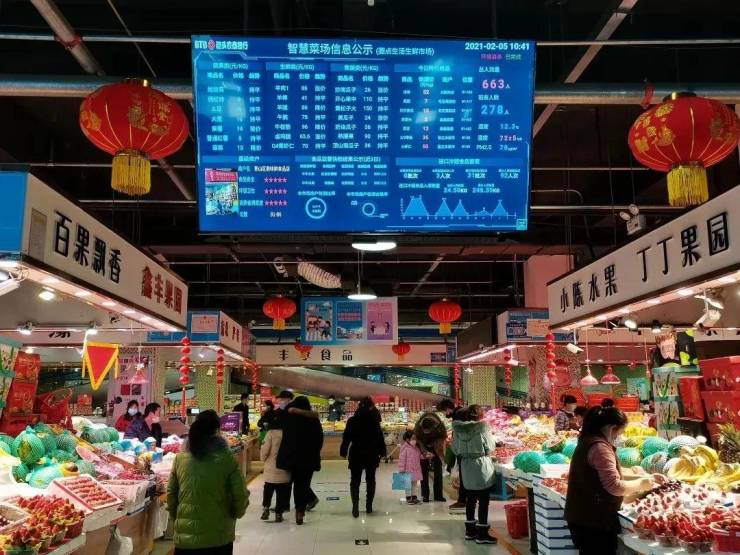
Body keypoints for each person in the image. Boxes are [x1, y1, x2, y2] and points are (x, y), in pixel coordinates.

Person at [565, 406, 656, 555]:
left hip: (583, 517)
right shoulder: (600, 448)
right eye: (618, 433)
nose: (617, 438)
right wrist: (641, 484)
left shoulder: (588, 440)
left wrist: (643, 478)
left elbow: (605, 475)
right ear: (612, 428)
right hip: (594, 521)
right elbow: (614, 486)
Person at [167, 410, 249, 554]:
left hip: (186, 541)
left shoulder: (180, 459)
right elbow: (240, 494)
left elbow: (171, 494)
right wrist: (236, 514)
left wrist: (180, 518)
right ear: (217, 431)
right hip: (219, 537)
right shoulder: (226, 459)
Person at [452, 405, 497, 545]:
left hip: (466, 465)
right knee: (483, 500)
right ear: (480, 415)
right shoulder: (482, 428)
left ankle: (470, 531)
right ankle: (482, 534)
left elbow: (455, 449)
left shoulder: (457, 430)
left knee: (470, 499)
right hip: (481, 465)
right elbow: (491, 447)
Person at [277, 396, 324, 525]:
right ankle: (300, 512)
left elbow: (281, 417)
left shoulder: (289, 418)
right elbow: (320, 439)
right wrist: (315, 451)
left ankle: (281, 509)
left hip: (291, 458)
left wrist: (291, 408)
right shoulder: (314, 420)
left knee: (289, 484)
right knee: (303, 485)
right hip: (309, 458)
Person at [340, 397, 386, 517]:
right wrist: (382, 451)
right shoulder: (374, 421)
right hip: (371, 453)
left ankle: (355, 507)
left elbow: (346, 437)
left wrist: (343, 450)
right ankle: (369, 506)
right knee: (371, 480)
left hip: (356, 452)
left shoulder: (352, 421)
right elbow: (379, 437)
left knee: (355, 481)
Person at [438, 399, 468, 512]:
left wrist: (454, 444)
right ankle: (464, 500)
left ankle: (463, 501)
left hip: (462, 450)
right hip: (463, 450)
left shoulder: (458, 415)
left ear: (447, 409)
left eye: (443, 411)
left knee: (463, 476)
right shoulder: (460, 413)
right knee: (463, 475)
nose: (444, 414)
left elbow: (460, 434)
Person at [260, 415, 290, 523]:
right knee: (281, 492)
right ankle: (278, 514)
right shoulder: (288, 433)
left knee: (268, 488)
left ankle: (266, 508)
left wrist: (263, 458)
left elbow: (265, 449)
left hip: (271, 467)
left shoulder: (271, 433)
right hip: (284, 467)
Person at [414, 411, 447, 503]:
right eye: (424, 431)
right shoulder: (418, 426)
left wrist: (435, 447)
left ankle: (438, 495)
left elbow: (443, 437)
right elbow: (417, 439)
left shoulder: (439, 426)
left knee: (438, 471)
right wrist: (424, 451)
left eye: (428, 431)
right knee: (423, 471)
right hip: (423, 446)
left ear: (434, 427)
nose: (426, 433)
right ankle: (425, 495)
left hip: (436, 446)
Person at [397, 430, 423, 505]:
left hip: (415, 469)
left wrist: (425, 456)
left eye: (415, 438)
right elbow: (402, 460)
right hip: (407, 470)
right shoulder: (404, 448)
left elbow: (420, 456)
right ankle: (408, 498)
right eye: (413, 438)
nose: (415, 440)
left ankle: (414, 497)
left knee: (414, 484)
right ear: (407, 439)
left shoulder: (416, 448)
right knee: (407, 485)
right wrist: (401, 469)